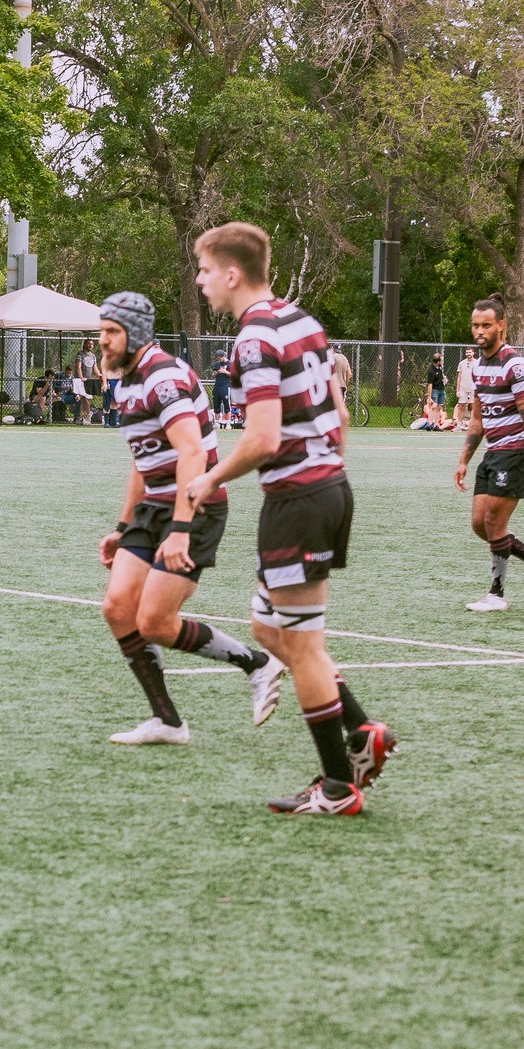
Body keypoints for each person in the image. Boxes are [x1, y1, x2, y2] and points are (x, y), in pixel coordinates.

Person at [185, 221, 396, 816]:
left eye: (205, 270)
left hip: (299, 501)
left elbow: (262, 438)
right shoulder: (303, 321)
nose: (200, 281)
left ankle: (338, 787)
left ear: (232, 274)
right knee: (268, 629)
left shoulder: (253, 338)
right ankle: (363, 731)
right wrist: (327, 472)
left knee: (302, 647)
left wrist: (209, 479)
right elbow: (339, 413)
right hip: (324, 491)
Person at [93, 292, 285, 746]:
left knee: (155, 622)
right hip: (154, 506)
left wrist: (179, 528)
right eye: (102, 331)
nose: (103, 341)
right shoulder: (127, 381)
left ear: (136, 333)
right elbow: (142, 462)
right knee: (118, 609)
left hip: (196, 507)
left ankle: (257, 664)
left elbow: (193, 454)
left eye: (111, 332)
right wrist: (122, 528)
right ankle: (167, 722)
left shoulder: (163, 378)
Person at [454, 297, 524, 611]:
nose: (479, 331)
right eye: (475, 326)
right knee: (480, 524)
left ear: (501, 326)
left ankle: (497, 595)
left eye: (486, 325)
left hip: (517, 452)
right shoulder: (478, 366)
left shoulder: (515, 366)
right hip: (493, 453)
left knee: (494, 520)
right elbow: (477, 419)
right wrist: (464, 460)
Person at [76, 339, 101, 424]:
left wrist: (100, 376)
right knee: (83, 398)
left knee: (85, 398)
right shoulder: (80, 354)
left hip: (89, 380)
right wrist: (81, 377)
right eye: (89, 344)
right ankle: (88, 414)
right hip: (80, 380)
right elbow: (78, 367)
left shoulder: (93, 356)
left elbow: (95, 368)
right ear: (84, 344)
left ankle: (82, 417)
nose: (90, 345)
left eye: (92, 344)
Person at [457, 346, 478, 428]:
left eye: (470, 352)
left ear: (473, 353)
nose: (468, 354)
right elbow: (459, 377)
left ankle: (471, 425)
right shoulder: (461, 363)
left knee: (473, 406)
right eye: (467, 352)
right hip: (463, 388)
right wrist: (458, 390)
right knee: (461, 405)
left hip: (473, 388)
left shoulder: (477, 363)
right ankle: (459, 425)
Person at [211, 350, 233, 418]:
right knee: (216, 405)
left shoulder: (230, 364)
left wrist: (225, 372)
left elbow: (234, 375)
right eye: (218, 359)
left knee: (227, 405)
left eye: (220, 358)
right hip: (217, 385)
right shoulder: (217, 364)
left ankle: (228, 421)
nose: (219, 360)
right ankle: (217, 421)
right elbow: (213, 374)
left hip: (225, 385)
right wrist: (214, 374)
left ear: (224, 356)